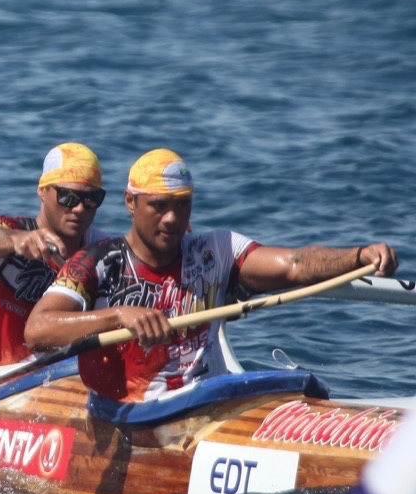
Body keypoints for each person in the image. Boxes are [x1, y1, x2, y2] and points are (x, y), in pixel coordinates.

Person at [23, 148, 398, 403]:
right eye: (159, 206)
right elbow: (38, 331)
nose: (172, 218)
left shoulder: (215, 251)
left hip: (208, 403)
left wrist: (358, 255)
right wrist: (118, 316)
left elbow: (295, 265)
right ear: (130, 202)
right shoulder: (97, 261)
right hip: (131, 412)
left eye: (182, 205)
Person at [0, 142, 112, 379]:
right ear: (42, 190)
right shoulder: (10, 229)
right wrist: (15, 240)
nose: (79, 209)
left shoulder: (98, 247)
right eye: (68, 197)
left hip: (57, 382)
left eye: (91, 199)